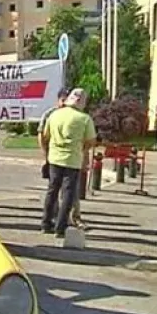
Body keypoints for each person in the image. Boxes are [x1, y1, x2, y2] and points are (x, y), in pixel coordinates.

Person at [40, 88, 97, 238]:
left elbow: (45, 135)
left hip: (54, 158)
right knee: (68, 195)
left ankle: (46, 223)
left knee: (52, 191)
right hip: (72, 160)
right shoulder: (84, 119)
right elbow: (91, 141)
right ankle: (60, 227)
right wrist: (82, 148)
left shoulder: (54, 115)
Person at [37, 89, 84, 228]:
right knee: (53, 190)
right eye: (62, 100)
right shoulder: (50, 114)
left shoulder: (77, 115)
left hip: (71, 159)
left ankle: (72, 218)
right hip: (53, 158)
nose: (64, 103)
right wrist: (45, 155)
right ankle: (52, 219)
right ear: (58, 100)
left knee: (70, 192)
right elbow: (42, 136)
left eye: (66, 100)